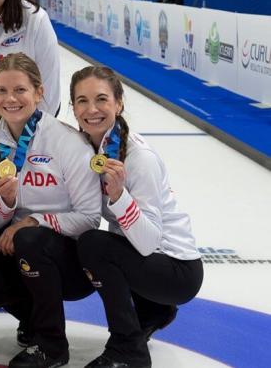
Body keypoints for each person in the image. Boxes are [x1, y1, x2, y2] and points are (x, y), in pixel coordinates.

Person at [0, 53, 101, 368]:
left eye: (20, 90)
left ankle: (52, 345)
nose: (10, 99)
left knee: (29, 238)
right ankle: (33, 321)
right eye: (1, 91)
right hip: (21, 249)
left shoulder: (66, 141)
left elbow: (89, 218)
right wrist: (6, 202)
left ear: (39, 93)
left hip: (71, 260)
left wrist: (32, 221)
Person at [70, 66, 203, 368]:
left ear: (118, 103)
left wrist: (119, 197)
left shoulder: (139, 158)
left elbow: (147, 242)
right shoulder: (85, 149)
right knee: (90, 242)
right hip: (148, 262)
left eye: (101, 99)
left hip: (176, 268)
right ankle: (152, 311)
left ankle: (128, 349)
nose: (92, 109)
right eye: (82, 101)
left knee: (94, 245)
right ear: (72, 107)